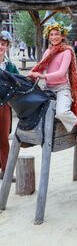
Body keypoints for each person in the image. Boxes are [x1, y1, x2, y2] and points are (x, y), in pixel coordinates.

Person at [28, 22, 77, 141]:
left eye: (57, 34)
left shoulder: (67, 51)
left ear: (63, 36)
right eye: (51, 34)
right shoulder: (48, 52)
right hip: (47, 87)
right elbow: (42, 67)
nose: (54, 37)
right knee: (31, 106)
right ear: (48, 36)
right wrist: (33, 74)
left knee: (61, 112)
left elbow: (61, 73)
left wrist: (42, 76)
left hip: (61, 88)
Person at [0, 30, 19, 181]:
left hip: (5, 106)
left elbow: (19, 82)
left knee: (4, 139)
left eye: (3, 44)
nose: (1, 46)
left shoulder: (10, 66)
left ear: (7, 47)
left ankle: (5, 170)